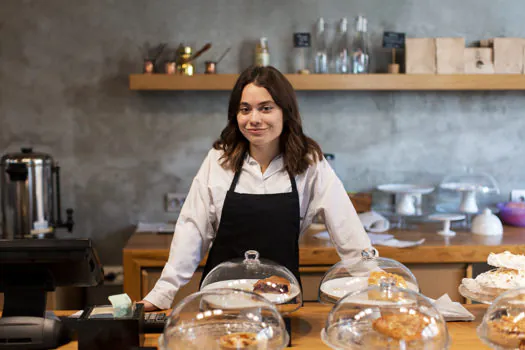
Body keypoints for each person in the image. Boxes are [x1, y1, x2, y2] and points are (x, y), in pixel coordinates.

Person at [139, 65, 372, 311]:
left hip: (282, 301)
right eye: (245, 109)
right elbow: (192, 228)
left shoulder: (309, 161)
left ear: (285, 111)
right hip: (220, 300)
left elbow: (346, 225)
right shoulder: (220, 158)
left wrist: (373, 285)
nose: (254, 119)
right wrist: (162, 294)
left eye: (266, 108)